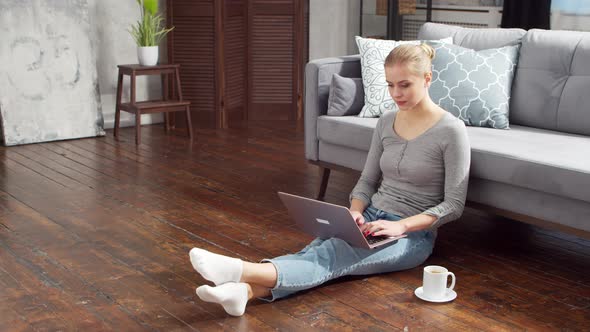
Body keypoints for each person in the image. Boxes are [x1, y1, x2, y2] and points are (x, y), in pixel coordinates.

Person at [188, 43, 471, 316]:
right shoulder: (386, 121)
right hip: (371, 217)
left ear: (427, 78)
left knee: (332, 255)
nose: (396, 93)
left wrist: (400, 226)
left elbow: (454, 205)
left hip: (412, 235)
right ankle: (244, 293)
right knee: (317, 250)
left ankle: (240, 271)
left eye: (404, 85)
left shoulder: (451, 131)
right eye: (390, 84)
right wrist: (355, 212)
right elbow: (367, 180)